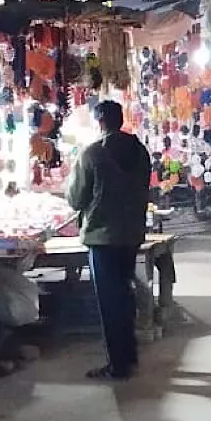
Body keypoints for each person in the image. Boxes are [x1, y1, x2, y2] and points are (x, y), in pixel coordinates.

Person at [66, 100, 152, 381]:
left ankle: (118, 364)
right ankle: (129, 355)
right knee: (124, 294)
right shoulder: (140, 151)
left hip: (102, 236)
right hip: (131, 233)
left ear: (100, 120)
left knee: (109, 301)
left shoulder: (91, 154)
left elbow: (76, 198)